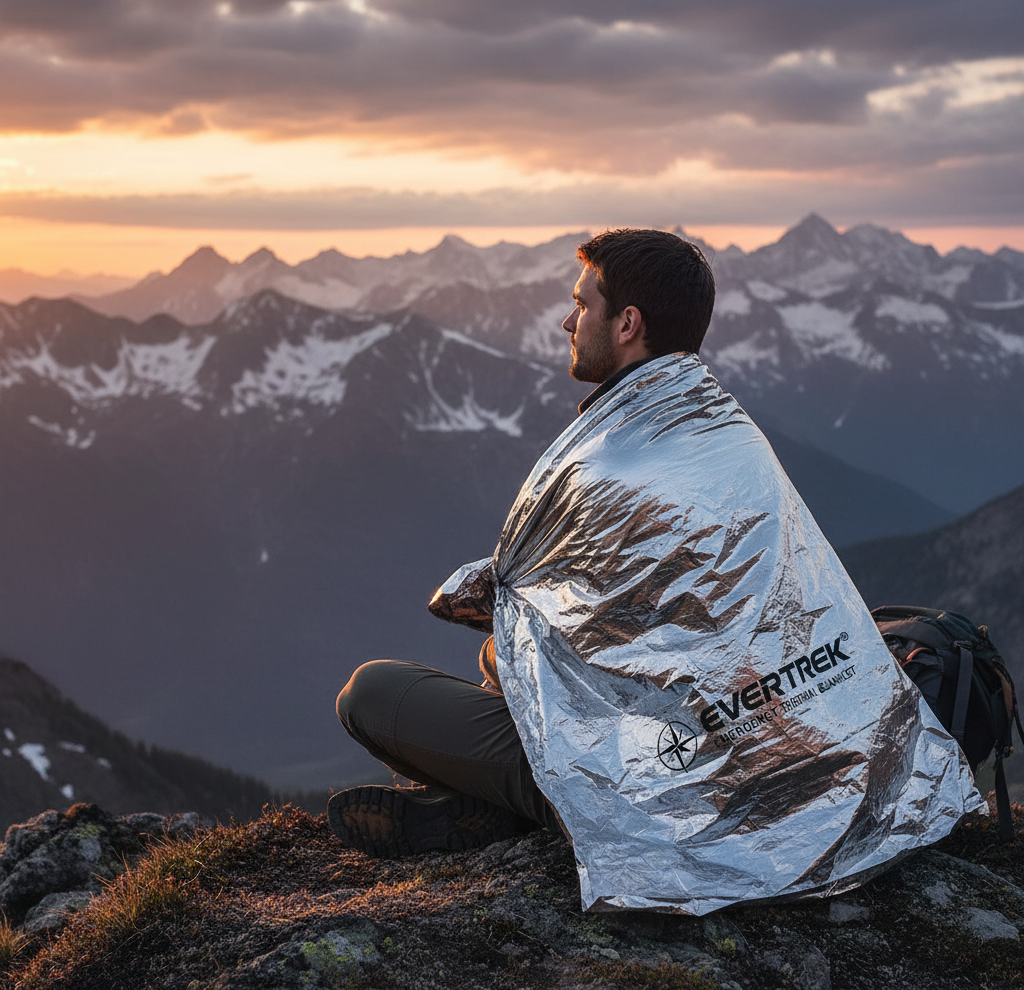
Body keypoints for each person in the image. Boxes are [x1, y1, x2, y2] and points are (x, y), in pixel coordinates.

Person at [331, 229, 981, 915]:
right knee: (503, 658)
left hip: (670, 786)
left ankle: (544, 809)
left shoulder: (610, 462)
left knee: (368, 694)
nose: (567, 319)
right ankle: (502, 800)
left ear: (628, 324)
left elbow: (518, 590)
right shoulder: (729, 432)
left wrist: (483, 590)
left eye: (581, 305)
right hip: (795, 751)